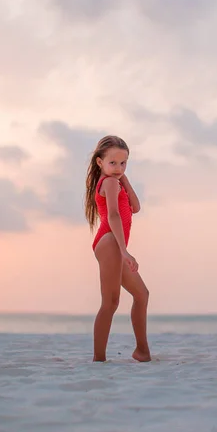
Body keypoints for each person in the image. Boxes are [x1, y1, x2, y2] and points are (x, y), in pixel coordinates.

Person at [85, 135, 151, 362]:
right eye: (113, 163)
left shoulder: (116, 181)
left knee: (141, 294)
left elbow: (135, 207)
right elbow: (113, 215)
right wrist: (124, 251)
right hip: (111, 242)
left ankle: (142, 351)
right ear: (100, 162)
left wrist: (125, 179)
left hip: (114, 243)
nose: (119, 168)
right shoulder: (109, 183)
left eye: (123, 163)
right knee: (111, 302)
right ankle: (99, 359)